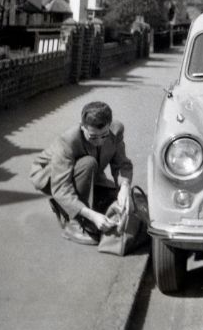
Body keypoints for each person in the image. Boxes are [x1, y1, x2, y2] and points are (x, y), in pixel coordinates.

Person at [29, 101, 133, 246]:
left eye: (104, 135)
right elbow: (61, 188)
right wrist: (92, 216)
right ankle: (74, 223)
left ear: (109, 125)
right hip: (51, 177)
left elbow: (121, 163)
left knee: (120, 199)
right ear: (82, 126)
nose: (99, 142)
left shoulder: (116, 130)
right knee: (88, 163)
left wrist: (124, 187)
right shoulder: (67, 141)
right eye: (93, 137)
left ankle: (72, 205)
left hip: (87, 172)